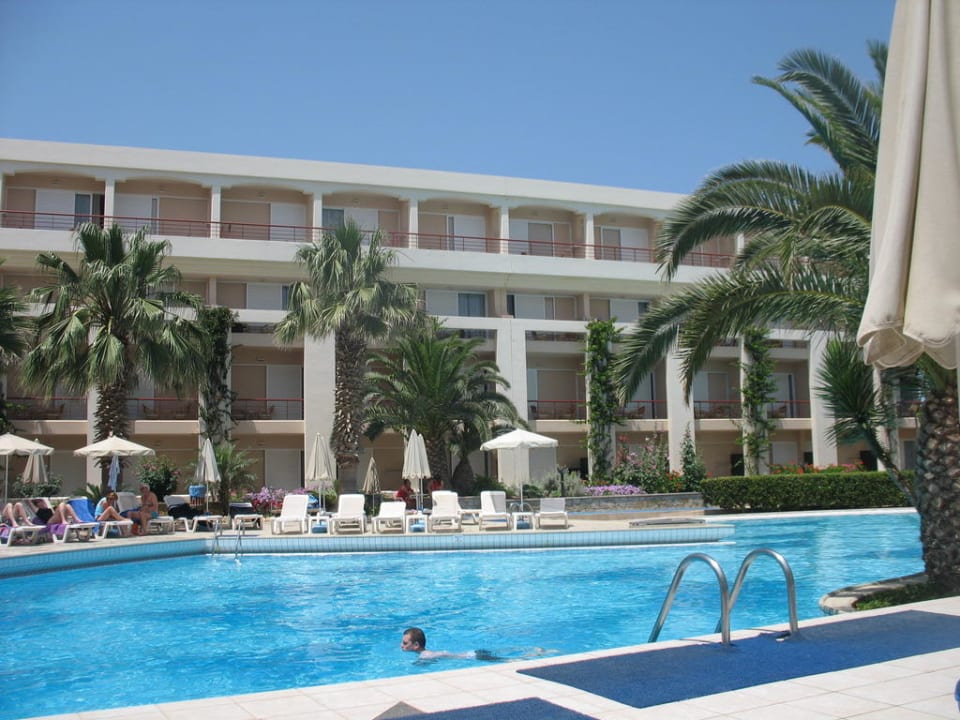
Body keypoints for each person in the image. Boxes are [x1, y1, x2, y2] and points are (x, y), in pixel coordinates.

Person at [400, 627, 504, 662]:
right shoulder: (425, 654)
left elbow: (443, 653)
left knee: (507, 661)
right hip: (473, 653)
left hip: (475, 657)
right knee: (504, 651)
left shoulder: (424, 656)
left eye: (405, 643)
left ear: (416, 645)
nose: (401, 645)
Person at [17, 497, 83, 526]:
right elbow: (30, 502)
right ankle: (63, 520)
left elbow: (54, 513)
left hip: (55, 518)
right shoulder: (38, 510)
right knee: (62, 504)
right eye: (39, 502)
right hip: (49, 522)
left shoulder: (49, 508)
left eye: (42, 501)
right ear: (37, 505)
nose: (42, 502)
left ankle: (76, 519)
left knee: (67, 505)